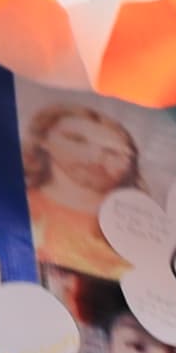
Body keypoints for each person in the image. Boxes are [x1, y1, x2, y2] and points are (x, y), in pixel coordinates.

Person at [24, 103, 142, 278]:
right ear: (44, 140)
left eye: (113, 151)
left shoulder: (141, 229)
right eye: (77, 140)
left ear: (130, 163)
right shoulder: (16, 207)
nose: (96, 158)